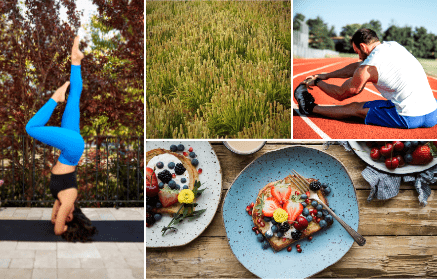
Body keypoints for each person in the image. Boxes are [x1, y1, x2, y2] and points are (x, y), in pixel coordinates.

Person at [26, 36, 97, 241]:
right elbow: (57, 229)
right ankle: (55, 98)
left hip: (71, 148)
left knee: (74, 98)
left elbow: (52, 221)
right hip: (72, 149)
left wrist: (62, 217)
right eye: (69, 217)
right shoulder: (69, 197)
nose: (61, 215)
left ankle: (76, 60)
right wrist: (65, 226)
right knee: (31, 127)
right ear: (73, 217)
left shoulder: (62, 200)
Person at [294, 28, 437, 129]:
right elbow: (359, 65)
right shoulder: (394, 46)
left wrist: (318, 82)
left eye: (357, 52)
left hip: (408, 118)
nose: (358, 56)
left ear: (362, 46)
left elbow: (341, 94)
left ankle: (310, 108)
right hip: (432, 113)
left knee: (354, 108)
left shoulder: (368, 68)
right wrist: (326, 75)